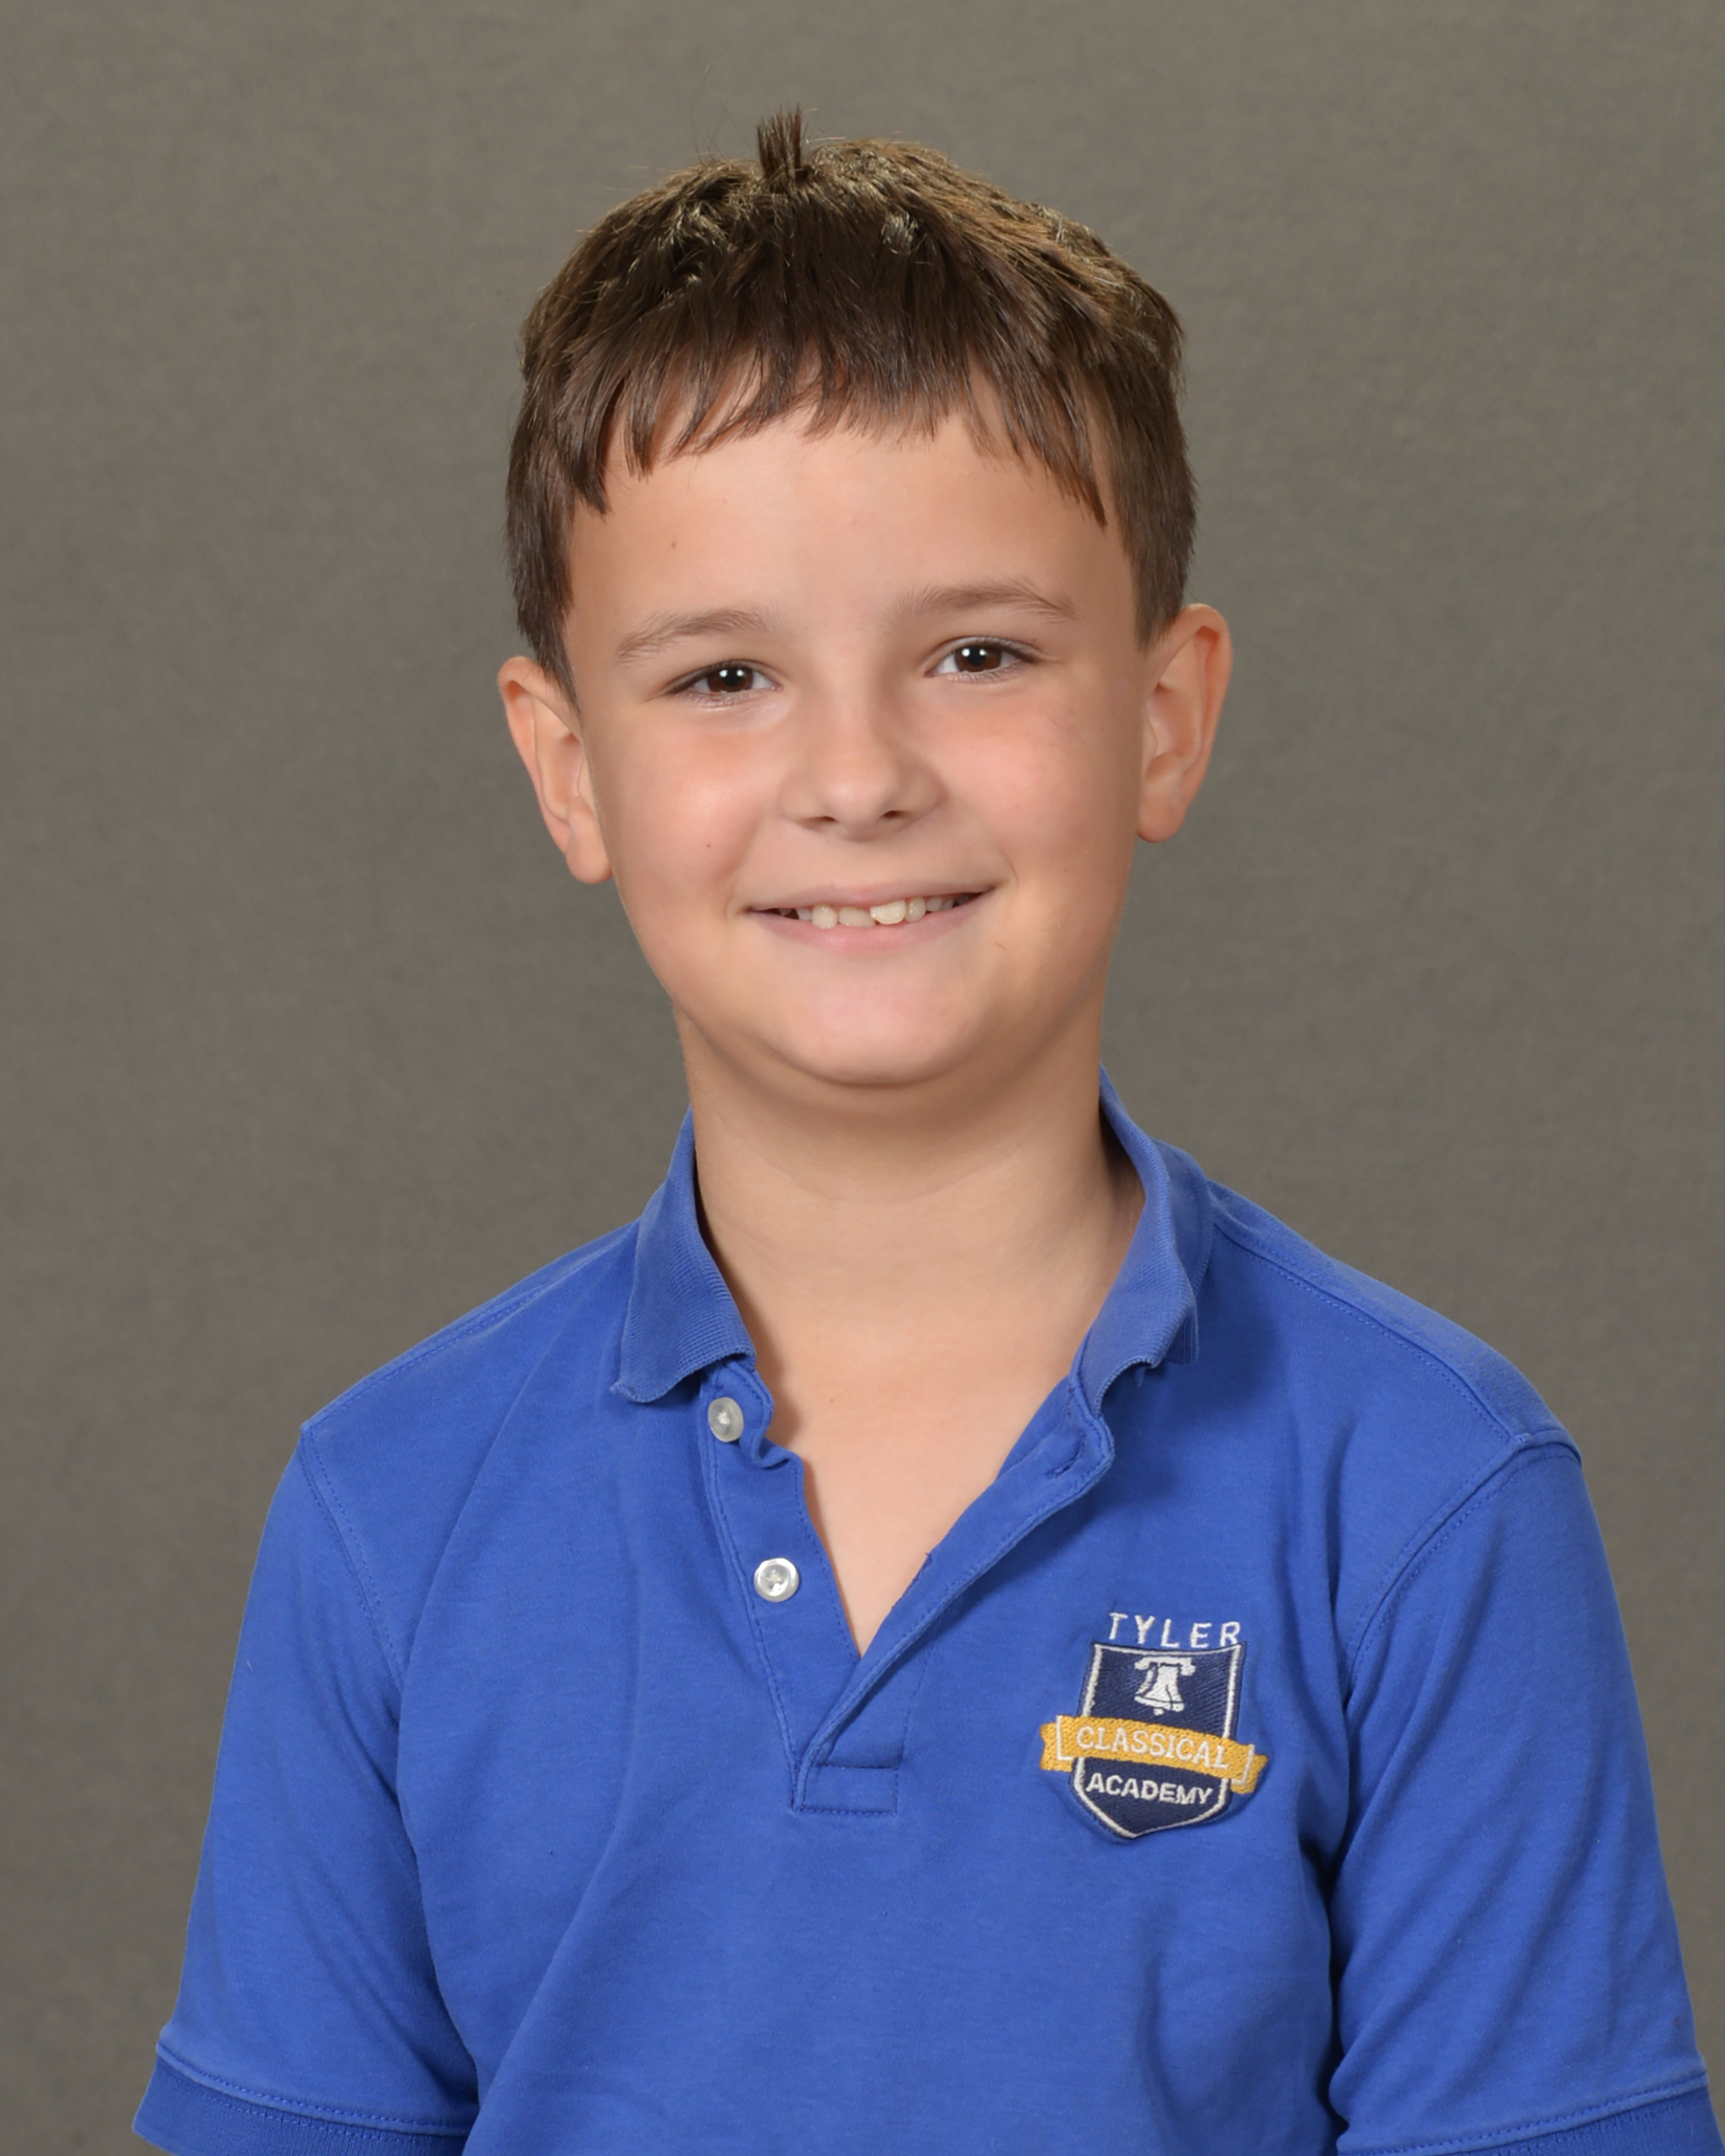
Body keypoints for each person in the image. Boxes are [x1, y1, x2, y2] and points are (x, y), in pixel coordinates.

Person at [134, 113, 1719, 2156]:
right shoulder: (389, 1513)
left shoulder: (1424, 1495)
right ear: (568, 767)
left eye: (978, 654)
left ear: (1164, 717)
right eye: (725, 674)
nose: (858, 774)